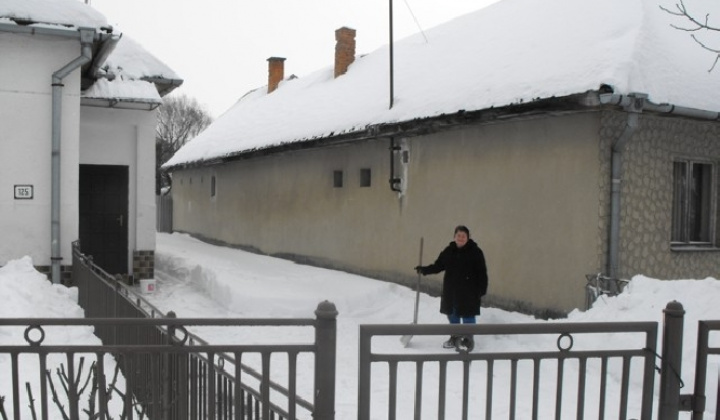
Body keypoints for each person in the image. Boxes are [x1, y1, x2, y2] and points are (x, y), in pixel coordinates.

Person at [415, 225, 488, 349]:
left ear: (468, 237)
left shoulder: (475, 252)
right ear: (454, 237)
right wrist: (424, 270)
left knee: (468, 315)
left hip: (469, 292)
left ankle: (468, 339)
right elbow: (438, 266)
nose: (460, 238)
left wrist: (481, 290)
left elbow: (482, 272)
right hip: (452, 291)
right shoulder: (449, 251)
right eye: (458, 235)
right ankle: (455, 337)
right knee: (452, 314)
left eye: (463, 236)